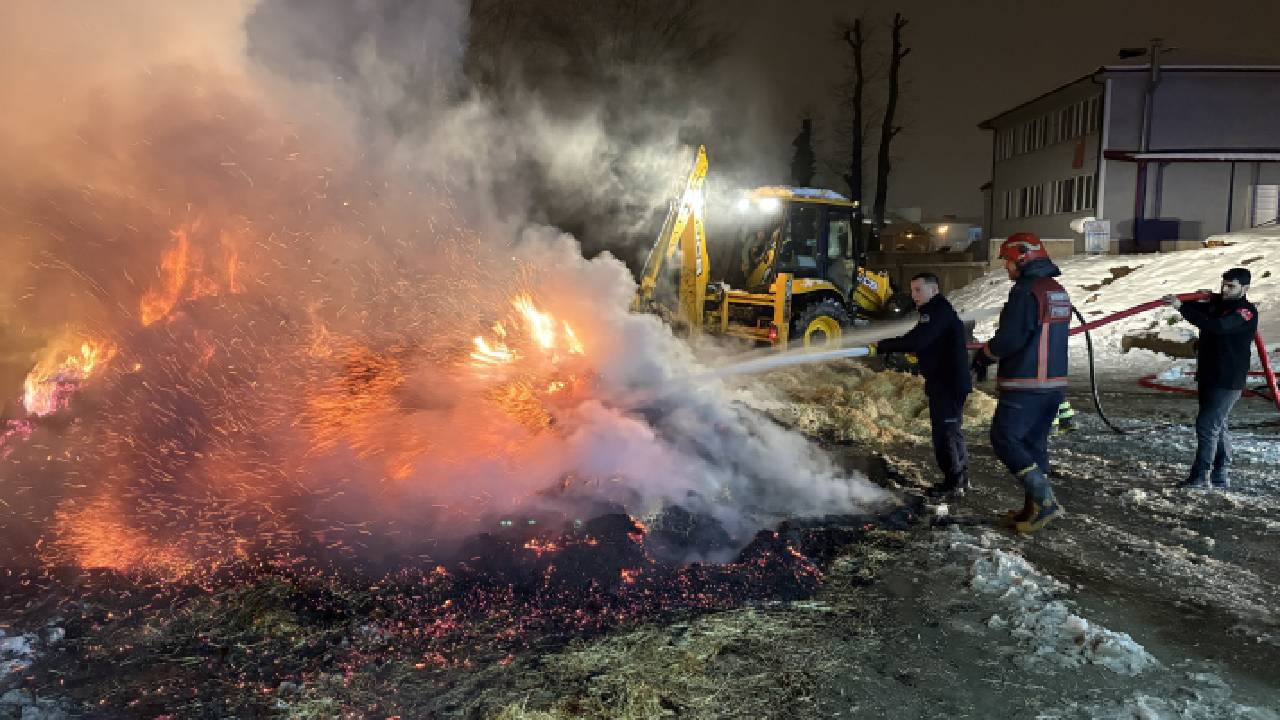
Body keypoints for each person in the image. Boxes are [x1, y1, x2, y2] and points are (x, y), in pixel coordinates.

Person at [971, 233, 1071, 533]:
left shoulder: (1026, 292)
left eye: (1008, 260)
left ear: (1024, 258)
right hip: (1053, 384)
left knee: (1005, 439)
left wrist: (985, 356)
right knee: (1033, 444)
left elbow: (1011, 337)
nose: (1006, 267)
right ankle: (1033, 510)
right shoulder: (1056, 290)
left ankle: (1046, 501)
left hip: (1026, 382)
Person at [868, 272, 972, 496]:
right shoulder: (934, 312)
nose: (913, 295)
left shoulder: (937, 312)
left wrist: (883, 346)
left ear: (933, 290)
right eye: (912, 290)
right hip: (946, 382)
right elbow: (916, 335)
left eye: (918, 290)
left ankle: (953, 484)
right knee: (951, 431)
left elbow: (917, 340)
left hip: (947, 383)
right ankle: (959, 479)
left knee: (945, 434)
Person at [1162, 268, 1259, 489]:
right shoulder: (1219, 304)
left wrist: (1182, 307)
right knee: (1218, 424)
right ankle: (1219, 474)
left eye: (1231, 286)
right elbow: (1200, 308)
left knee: (1207, 425)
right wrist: (1186, 301)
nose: (1225, 290)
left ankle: (1200, 476)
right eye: (1223, 285)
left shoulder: (1246, 311)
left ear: (1245, 288)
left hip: (1228, 379)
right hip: (1209, 374)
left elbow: (1218, 326)